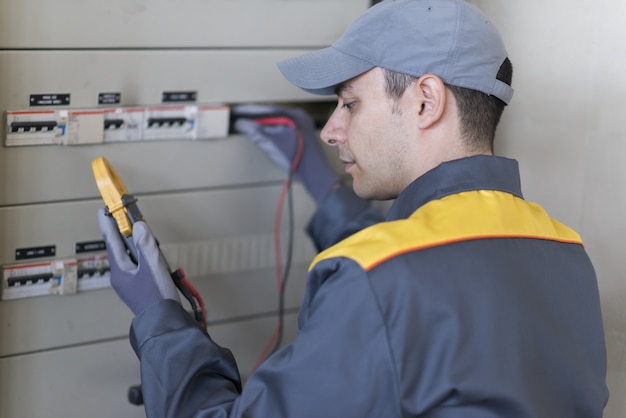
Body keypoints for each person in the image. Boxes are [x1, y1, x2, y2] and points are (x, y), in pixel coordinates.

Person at [97, 0, 609, 416]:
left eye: (348, 102)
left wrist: (159, 319)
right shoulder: (565, 251)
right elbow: (433, 271)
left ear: (426, 102)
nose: (329, 130)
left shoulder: (374, 279)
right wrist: (323, 184)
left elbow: (393, 283)